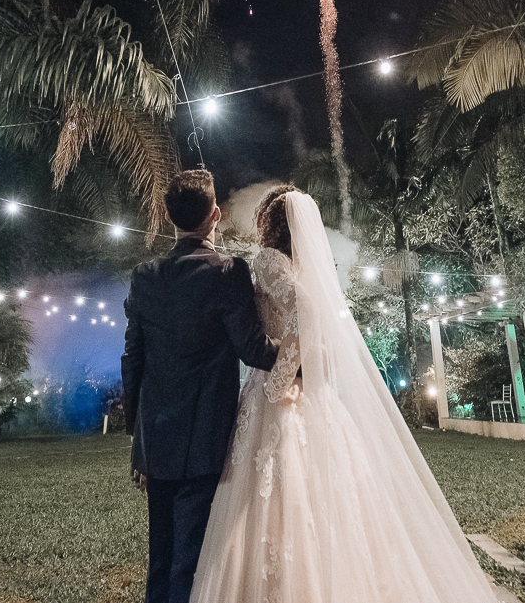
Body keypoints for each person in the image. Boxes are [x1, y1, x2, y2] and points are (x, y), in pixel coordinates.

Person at [190, 186, 503, 603]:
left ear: (270, 222)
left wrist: (280, 378)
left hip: (280, 395)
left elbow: (305, 312)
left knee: (274, 492)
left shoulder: (267, 260)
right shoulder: (303, 267)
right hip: (313, 394)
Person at [122, 169, 279, 603]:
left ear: (170, 218)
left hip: (156, 443)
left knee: (161, 558)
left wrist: (139, 443)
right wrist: (307, 358)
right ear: (216, 215)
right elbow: (254, 349)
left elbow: (133, 359)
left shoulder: (145, 274)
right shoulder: (228, 272)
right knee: (190, 563)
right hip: (206, 440)